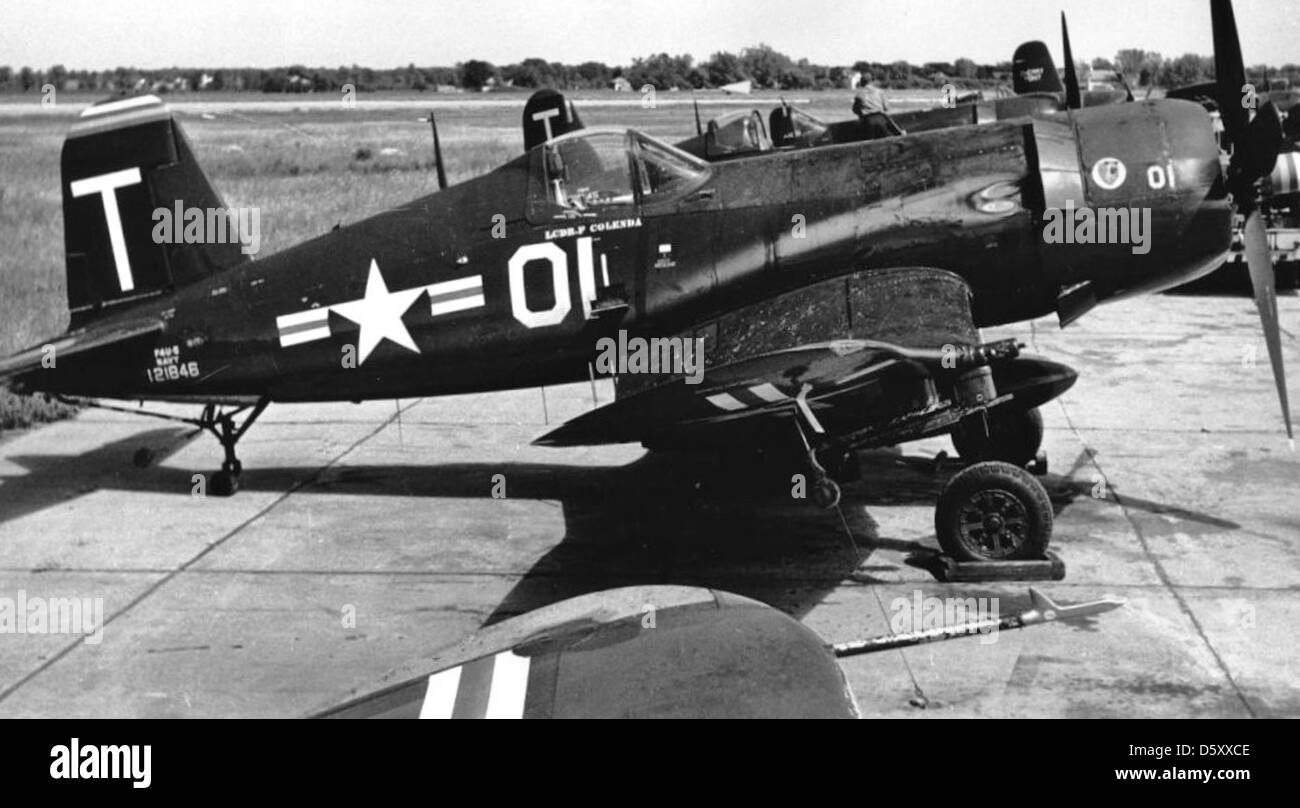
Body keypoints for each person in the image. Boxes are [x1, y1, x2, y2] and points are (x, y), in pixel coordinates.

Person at [852, 74, 903, 140]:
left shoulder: (859, 95)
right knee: (892, 135)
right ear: (871, 82)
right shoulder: (880, 92)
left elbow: (855, 110)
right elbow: (886, 108)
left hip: (868, 121)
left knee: (866, 139)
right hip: (881, 119)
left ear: (861, 82)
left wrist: (862, 114)